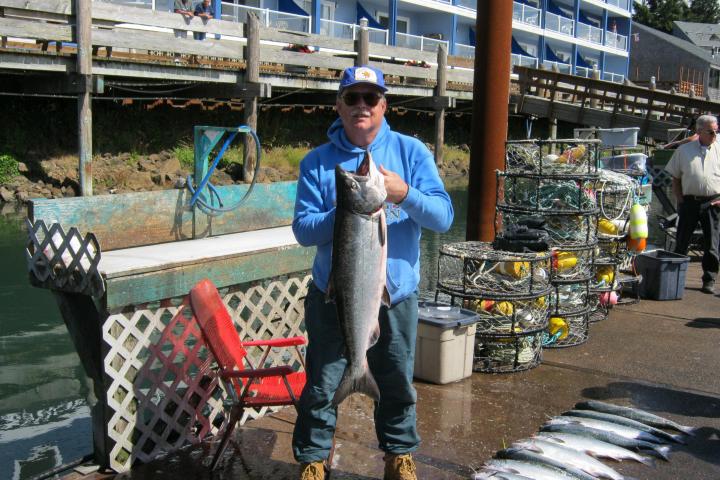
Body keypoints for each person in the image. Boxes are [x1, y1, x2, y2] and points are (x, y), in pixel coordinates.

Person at [291, 65, 454, 480]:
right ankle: (312, 460)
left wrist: (403, 194)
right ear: (339, 106)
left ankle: (399, 454)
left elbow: (443, 218)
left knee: (398, 382)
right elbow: (303, 230)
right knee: (321, 385)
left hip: (395, 296)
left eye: (370, 98)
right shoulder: (316, 162)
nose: (361, 106)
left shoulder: (412, 152)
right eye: (352, 98)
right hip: (334, 296)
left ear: (383, 105)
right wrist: (350, 208)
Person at [664, 114, 720, 294]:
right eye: (711, 132)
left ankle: (709, 280)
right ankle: (674, 279)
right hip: (689, 202)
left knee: (712, 244)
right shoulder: (684, 150)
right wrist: (679, 199)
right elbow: (675, 178)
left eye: (716, 131)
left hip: (713, 201)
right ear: (699, 132)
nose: (714, 135)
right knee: (682, 242)